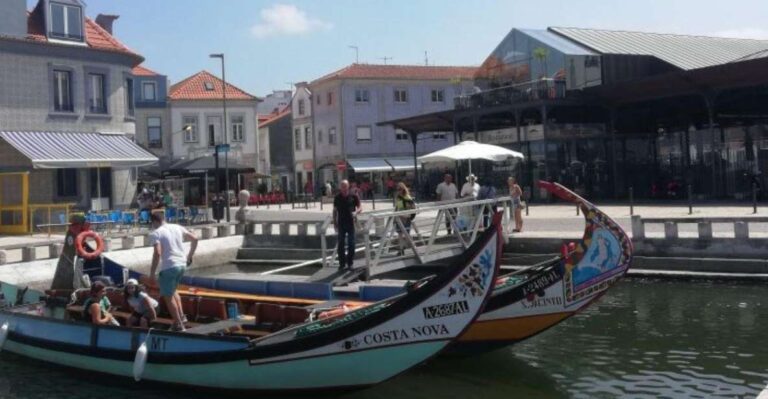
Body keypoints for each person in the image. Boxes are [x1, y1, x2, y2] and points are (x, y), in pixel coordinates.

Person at [148, 212, 198, 331]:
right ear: (163, 218)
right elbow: (195, 238)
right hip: (182, 264)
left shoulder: (155, 233)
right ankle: (181, 317)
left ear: (154, 222)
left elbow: (158, 253)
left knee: (168, 296)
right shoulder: (177, 227)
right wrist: (189, 256)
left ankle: (178, 324)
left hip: (169, 267)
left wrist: (152, 273)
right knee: (173, 290)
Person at [333, 180, 361, 270]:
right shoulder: (337, 197)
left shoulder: (354, 196)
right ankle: (342, 264)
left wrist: (356, 212)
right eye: (342, 186)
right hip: (341, 223)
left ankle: (350, 263)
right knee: (340, 244)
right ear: (340, 188)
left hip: (351, 223)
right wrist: (334, 223)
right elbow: (334, 211)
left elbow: (360, 207)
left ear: (348, 186)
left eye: (345, 186)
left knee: (351, 244)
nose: (344, 188)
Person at [394, 182, 416, 255]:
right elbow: (397, 207)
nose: (398, 191)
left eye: (400, 189)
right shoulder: (397, 197)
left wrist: (408, 214)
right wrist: (394, 216)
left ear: (403, 189)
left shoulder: (407, 197)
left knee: (406, 234)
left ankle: (411, 246)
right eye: (397, 189)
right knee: (400, 234)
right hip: (399, 217)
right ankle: (401, 249)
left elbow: (413, 207)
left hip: (406, 217)